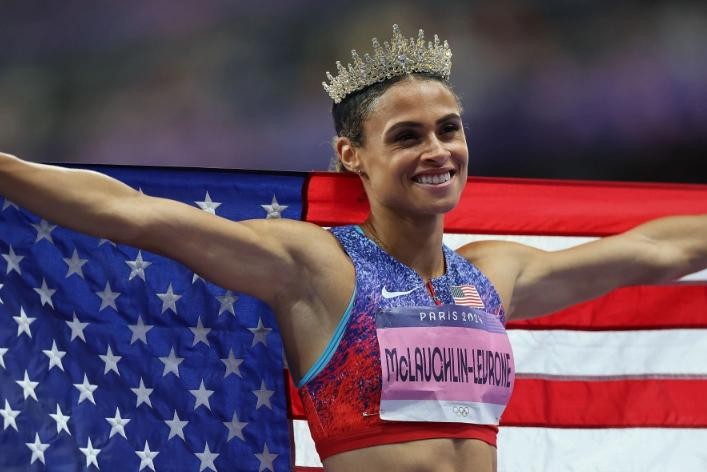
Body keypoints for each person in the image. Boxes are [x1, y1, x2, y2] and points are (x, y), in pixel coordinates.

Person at [0, 25, 705, 472]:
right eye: (407, 137)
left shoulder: (496, 271)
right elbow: (136, 216)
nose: (437, 151)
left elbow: (653, 252)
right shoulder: (318, 268)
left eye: (449, 129)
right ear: (351, 156)